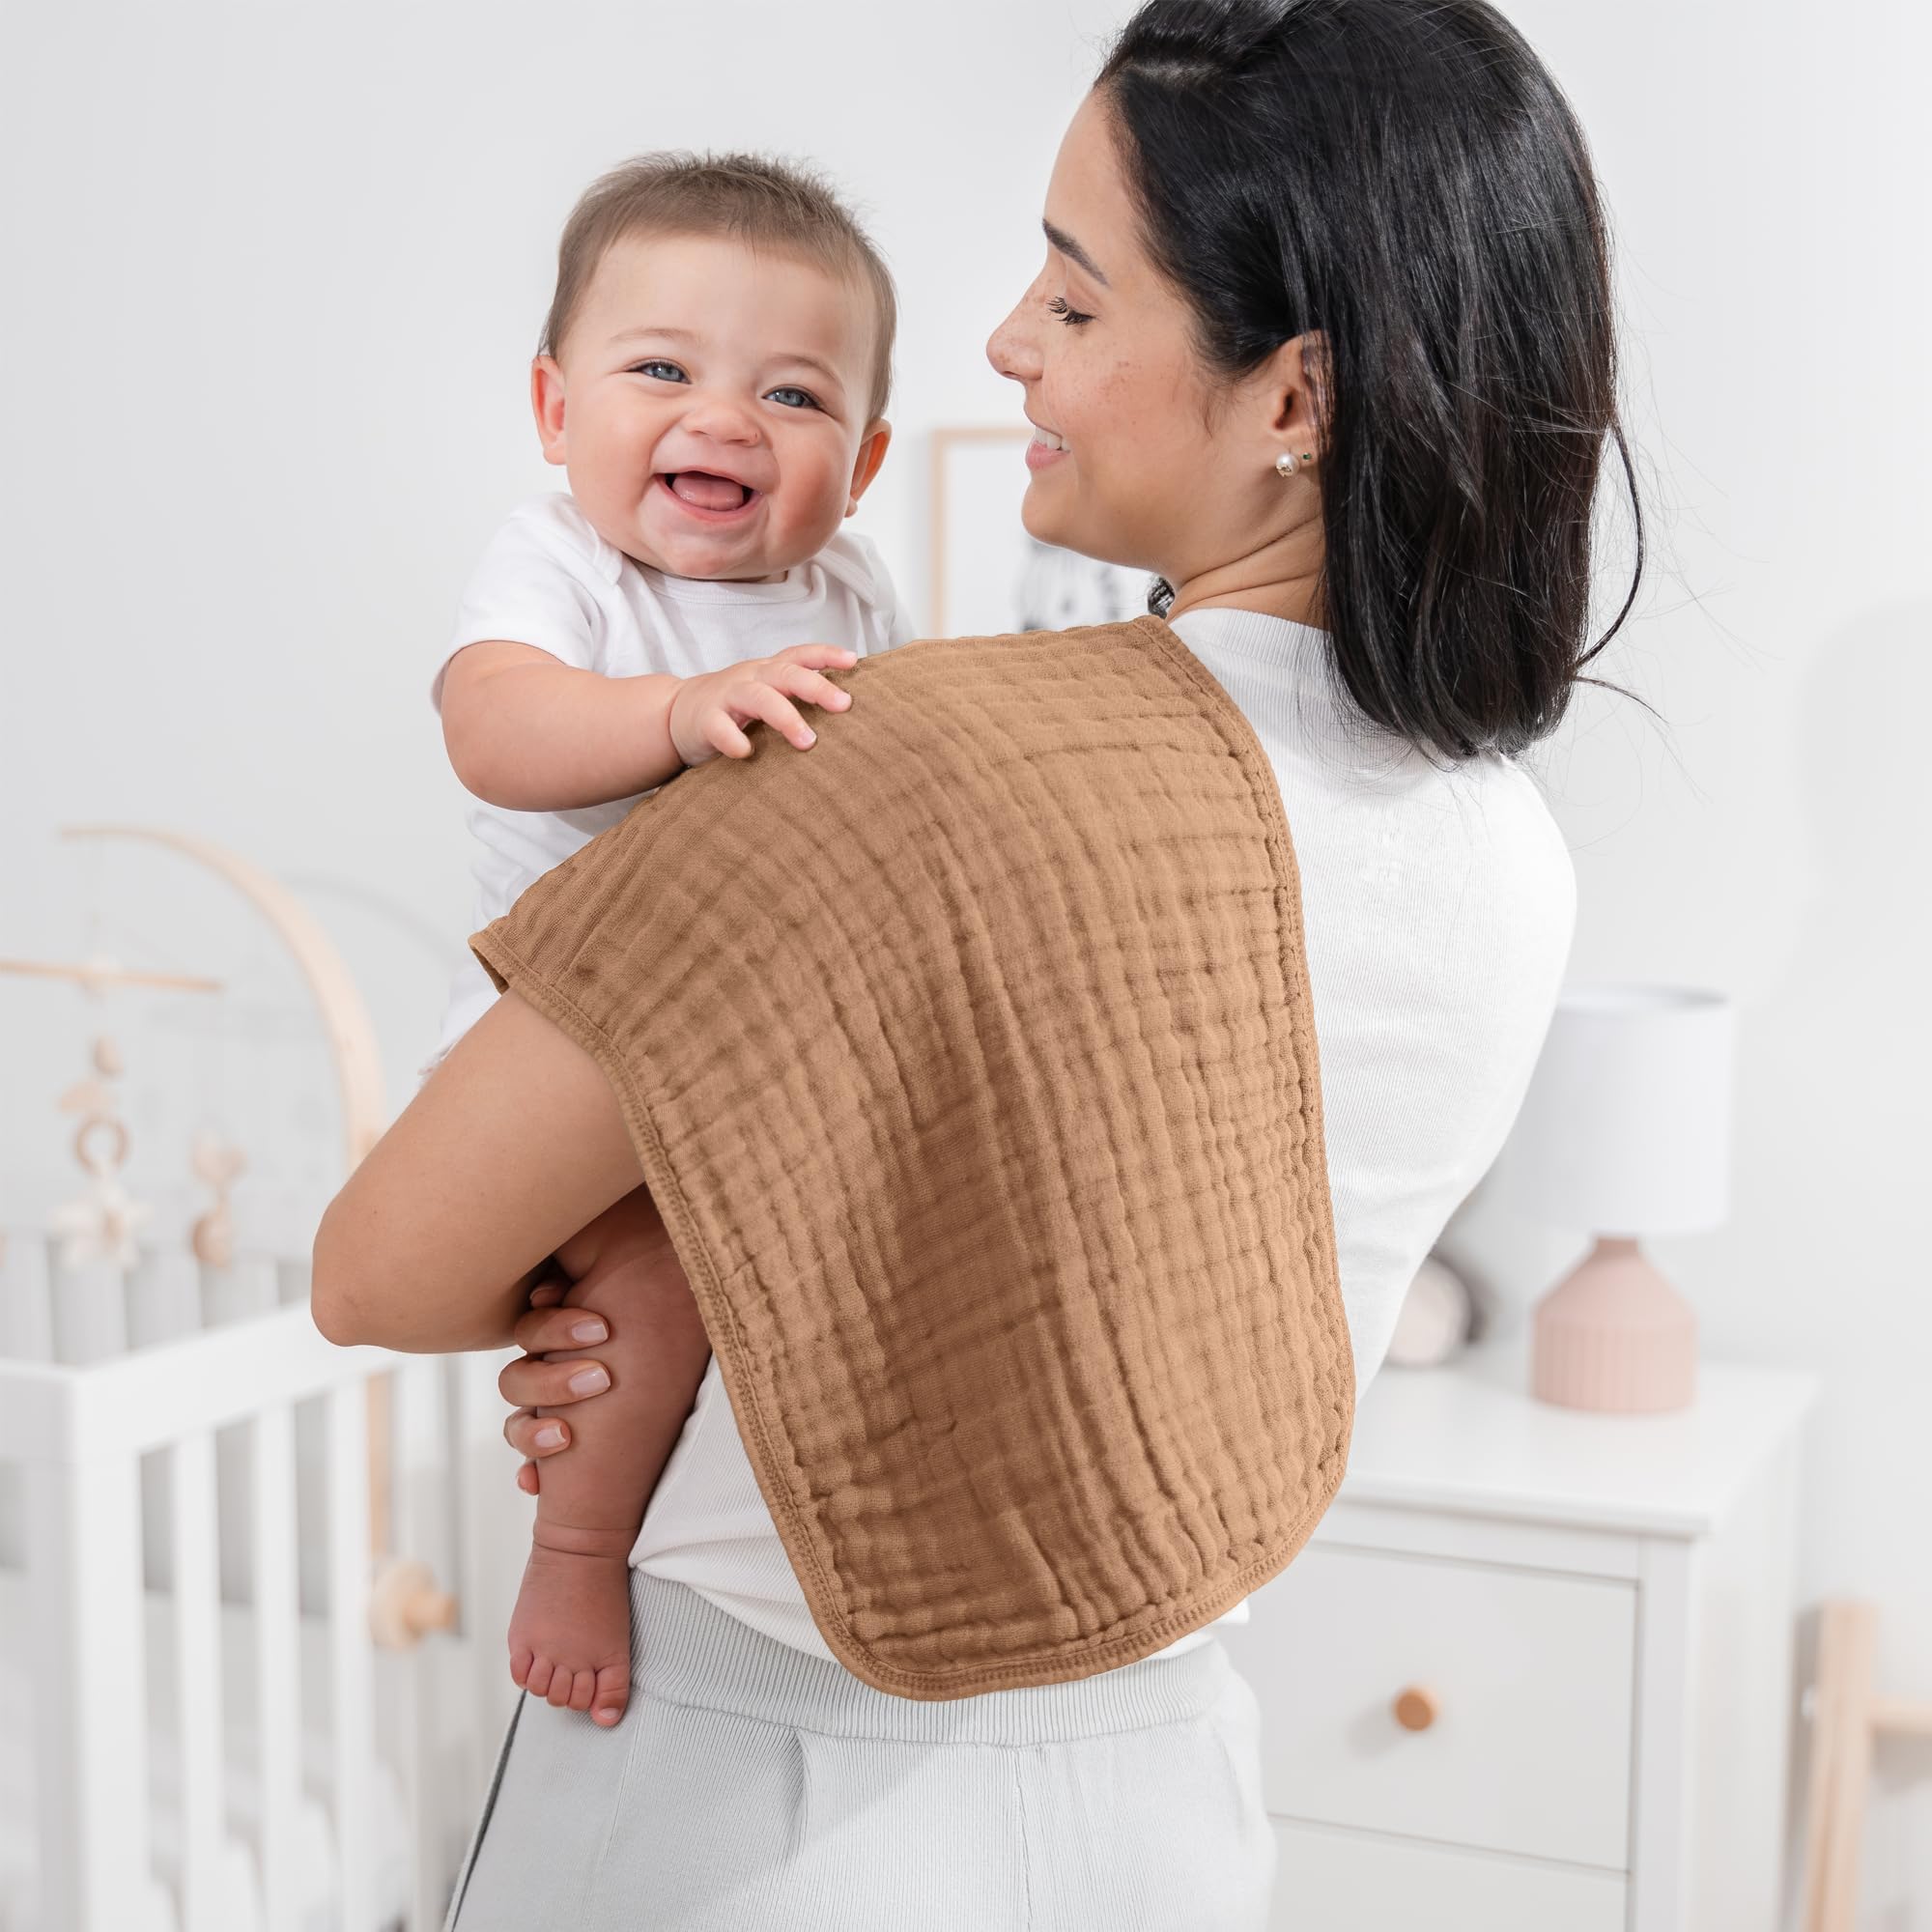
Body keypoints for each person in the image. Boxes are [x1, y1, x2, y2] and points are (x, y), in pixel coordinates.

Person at [313, 0, 1642, 1922]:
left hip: (757, 1803)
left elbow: (379, 1267)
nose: (1010, 339)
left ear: (1294, 396)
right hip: (1165, 1800)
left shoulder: (899, 753)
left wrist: (605, 1323)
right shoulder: (1509, 855)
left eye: (1076, 298)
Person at [421, 152, 917, 1728]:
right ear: (554, 407)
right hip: (573, 1038)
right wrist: (677, 712)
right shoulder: (560, 565)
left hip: (764, 1046)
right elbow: (494, 727)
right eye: (662, 371)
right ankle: (575, 1551)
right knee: (650, 1272)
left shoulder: (853, 590)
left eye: (793, 394)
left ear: (866, 459)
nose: (726, 420)